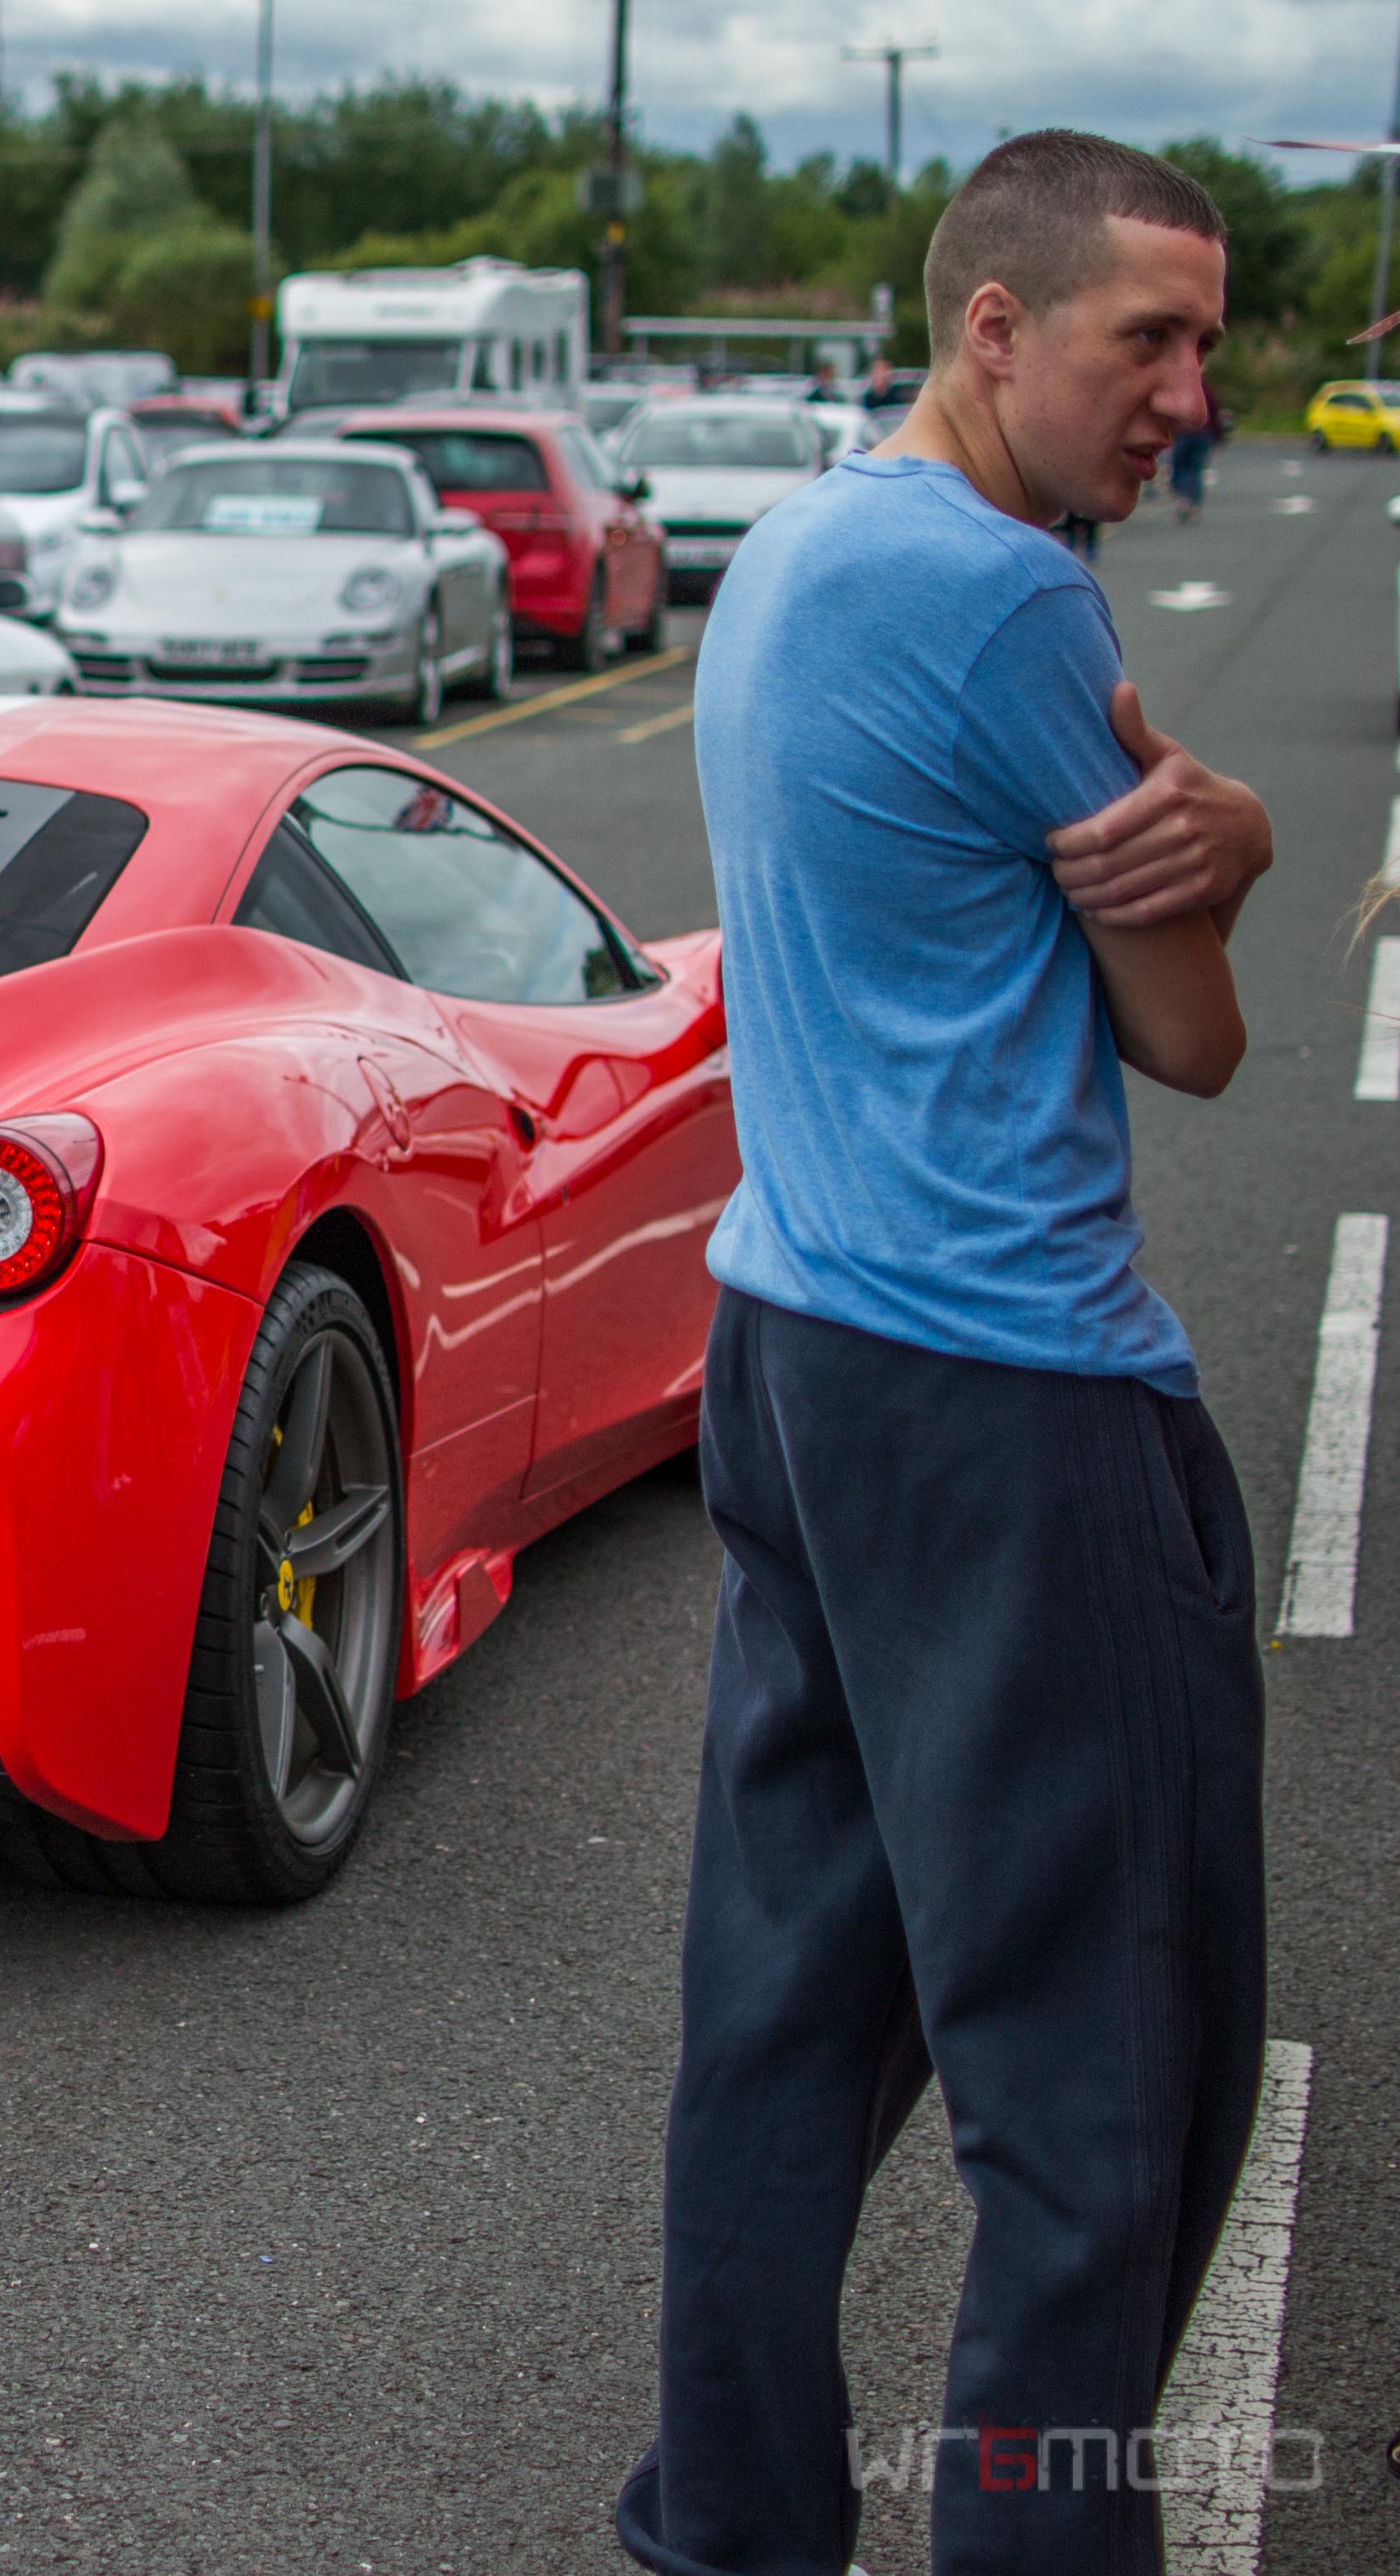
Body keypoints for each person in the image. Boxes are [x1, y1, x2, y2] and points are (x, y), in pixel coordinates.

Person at [617, 133, 1270, 2576]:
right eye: (1144, 339)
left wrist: (1196, 826)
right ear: (993, 325)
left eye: (1205, 345)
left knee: (789, 2021)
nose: (1185, 396)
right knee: (1103, 2093)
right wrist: (1239, 843)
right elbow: (1193, 1032)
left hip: (795, 1350)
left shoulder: (802, 547)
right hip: (1009, 1393)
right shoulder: (1003, 597)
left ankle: (734, 2523)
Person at [1168, 375, 1223, 522]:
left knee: (1181, 466)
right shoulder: (1207, 390)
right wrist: (1218, 437)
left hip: (1184, 433)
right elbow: (1215, 414)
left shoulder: (1180, 388)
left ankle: (1184, 499)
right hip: (1202, 434)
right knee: (1195, 469)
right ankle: (1192, 503)